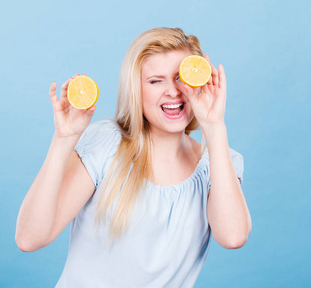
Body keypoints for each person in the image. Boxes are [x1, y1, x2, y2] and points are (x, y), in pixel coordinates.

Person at [15, 27, 252, 287]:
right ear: (136, 89)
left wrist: (214, 127)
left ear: (200, 81)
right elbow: (29, 239)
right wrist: (63, 140)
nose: (173, 91)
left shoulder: (217, 164)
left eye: (182, 77)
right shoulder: (106, 145)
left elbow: (233, 237)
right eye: (155, 80)